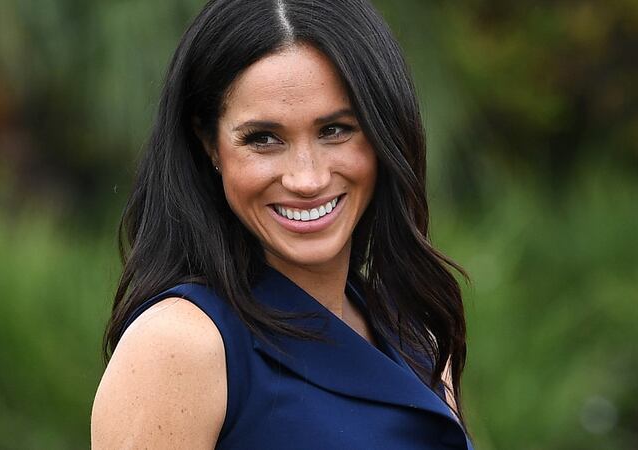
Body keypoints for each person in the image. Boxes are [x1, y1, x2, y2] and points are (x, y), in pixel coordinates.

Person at [91, 0, 472, 448]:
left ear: (384, 130)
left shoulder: (414, 334)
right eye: (264, 139)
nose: (307, 178)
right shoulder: (179, 347)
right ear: (209, 144)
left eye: (335, 130)